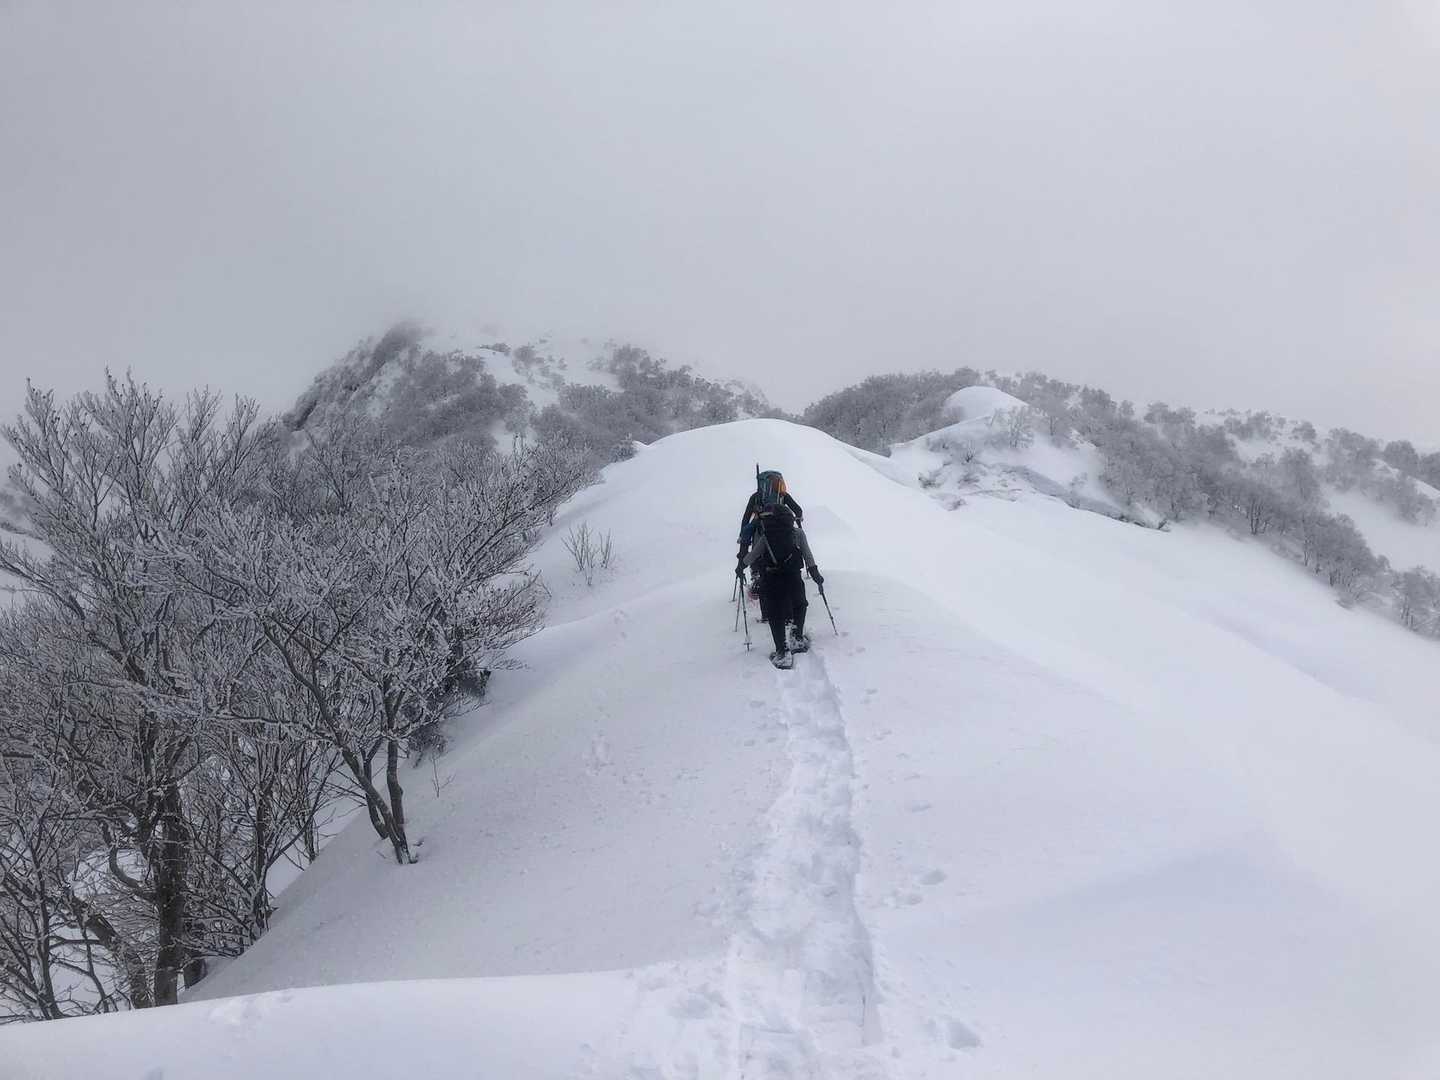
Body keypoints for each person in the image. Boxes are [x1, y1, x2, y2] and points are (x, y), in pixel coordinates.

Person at [736, 497, 824, 669]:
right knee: (799, 604)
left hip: (772, 579)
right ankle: (797, 638)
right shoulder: (798, 534)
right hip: (793, 577)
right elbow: (808, 556)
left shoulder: (766, 536)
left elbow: (752, 556)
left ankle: (782, 652)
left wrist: (740, 567)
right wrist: (816, 575)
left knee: (775, 613)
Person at [737, 470, 804, 608]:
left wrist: (742, 535)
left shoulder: (756, 496)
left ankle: (753, 571)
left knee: (754, 543)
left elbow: (746, 517)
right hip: (783, 528)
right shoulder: (782, 495)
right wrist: (796, 518)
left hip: (760, 526)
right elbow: (798, 510)